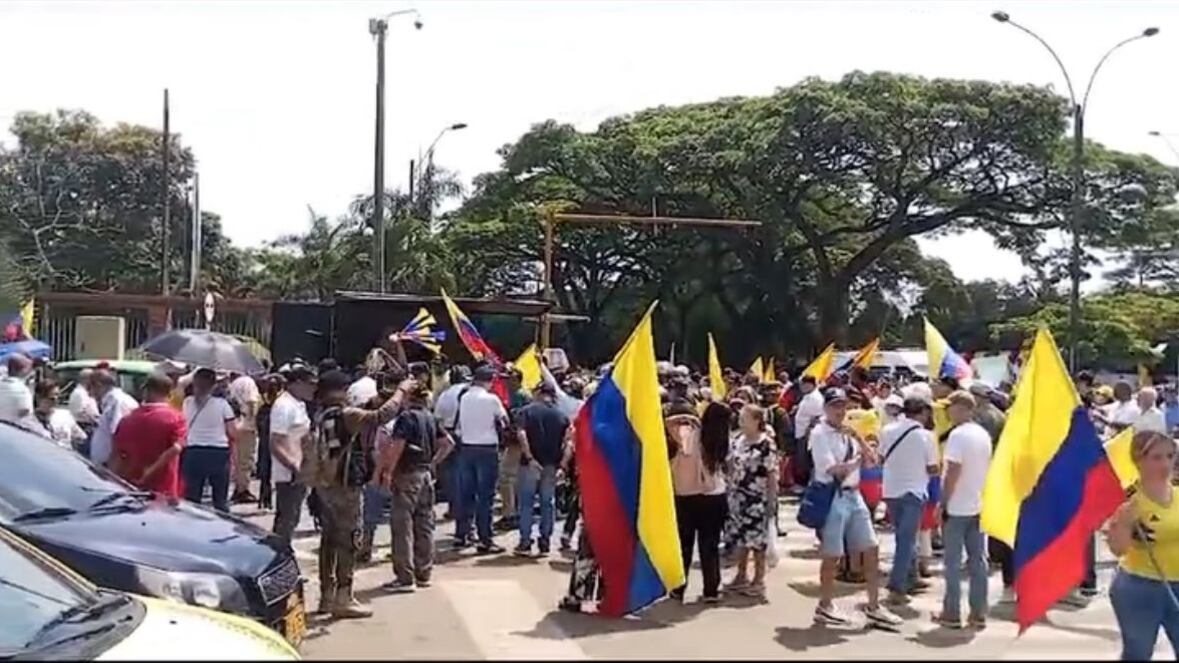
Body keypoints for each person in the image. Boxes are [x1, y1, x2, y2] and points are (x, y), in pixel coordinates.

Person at [306, 369, 411, 618]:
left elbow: (366, 410)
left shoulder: (322, 414)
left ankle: (327, 596)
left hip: (324, 485)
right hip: (346, 487)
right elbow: (380, 416)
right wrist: (401, 391)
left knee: (328, 541)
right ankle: (345, 597)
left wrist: (385, 393)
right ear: (342, 390)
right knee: (349, 540)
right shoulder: (347, 414)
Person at [810, 387, 901, 629]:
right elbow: (832, 469)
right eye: (835, 405)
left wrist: (859, 438)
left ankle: (874, 606)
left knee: (871, 549)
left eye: (843, 405)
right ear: (826, 408)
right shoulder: (819, 434)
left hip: (854, 495)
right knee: (832, 555)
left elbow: (873, 459)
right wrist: (857, 461)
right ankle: (825, 605)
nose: (840, 410)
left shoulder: (847, 432)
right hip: (833, 496)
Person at [1107, 430, 1179, 660]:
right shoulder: (1130, 503)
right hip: (1140, 587)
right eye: (1156, 457)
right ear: (1138, 461)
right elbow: (1118, 549)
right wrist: (1124, 525)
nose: (1166, 464)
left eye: (1170, 456)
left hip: (1177, 585)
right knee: (1138, 653)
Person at [376, 382, 454, 593]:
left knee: (402, 526)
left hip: (407, 474)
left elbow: (397, 446)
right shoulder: (430, 417)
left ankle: (404, 577)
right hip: (425, 475)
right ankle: (423, 572)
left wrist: (388, 472)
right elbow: (448, 443)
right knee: (424, 524)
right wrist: (433, 462)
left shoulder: (407, 418)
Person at [935, 390, 992, 629]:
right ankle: (978, 613)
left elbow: (953, 472)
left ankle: (952, 612)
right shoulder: (983, 434)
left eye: (950, 406)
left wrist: (943, 502)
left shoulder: (958, 436)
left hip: (957, 507)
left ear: (962, 408)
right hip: (978, 504)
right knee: (978, 561)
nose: (947, 411)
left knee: (953, 563)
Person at [880, 397, 938, 607]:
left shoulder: (888, 430)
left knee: (904, 536)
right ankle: (897, 586)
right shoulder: (926, 436)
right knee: (906, 540)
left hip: (891, 490)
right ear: (922, 412)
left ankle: (911, 577)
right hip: (914, 491)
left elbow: (881, 456)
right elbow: (933, 468)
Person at [670, 401, 729, 603]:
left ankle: (678, 588)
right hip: (715, 496)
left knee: (684, 545)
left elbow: (671, 424)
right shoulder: (723, 440)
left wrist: (690, 418)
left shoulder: (690, 434)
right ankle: (711, 589)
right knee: (710, 545)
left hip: (686, 494)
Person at [454, 364, 509, 554]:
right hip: (487, 448)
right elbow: (504, 420)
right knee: (485, 496)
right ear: (490, 380)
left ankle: (462, 534)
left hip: (467, 447)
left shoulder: (464, 397)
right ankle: (485, 538)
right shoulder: (492, 399)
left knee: (466, 493)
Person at [724, 404, 778, 598]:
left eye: (744, 418)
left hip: (758, 499)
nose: (741, 421)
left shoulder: (766, 444)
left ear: (757, 421)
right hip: (738, 498)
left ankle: (759, 579)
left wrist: (772, 500)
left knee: (758, 543)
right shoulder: (738, 440)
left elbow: (772, 473)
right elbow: (730, 466)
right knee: (740, 539)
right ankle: (741, 575)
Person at [514, 382, 571, 557]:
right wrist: (563, 465)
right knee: (548, 502)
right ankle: (545, 541)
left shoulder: (526, 412)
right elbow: (569, 442)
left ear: (538, 392)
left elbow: (521, 434)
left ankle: (525, 542)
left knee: (526, 503)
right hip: (551, 465)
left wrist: (530, 457)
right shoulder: (562, 415)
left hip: (530, 464)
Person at [111, 373, 187, 498]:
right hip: (164, 488)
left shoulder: (128, 419)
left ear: (146, 391)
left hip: (131, 485)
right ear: (169, 393)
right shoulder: (176, 418)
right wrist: (150, 471)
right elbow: (176, 448)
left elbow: (116, 454)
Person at [271, 365, 315, 549]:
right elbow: (276, 443)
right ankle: (278, 559)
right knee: (286, 521)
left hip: (301, 471)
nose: (313, 388)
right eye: (309, 384)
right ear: (297, 383)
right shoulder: (284, 406)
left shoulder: (299, 404)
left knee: (292, 519)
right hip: (289, 474)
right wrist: (294, 467)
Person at [434, 365, 471, 515]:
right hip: (467, 435)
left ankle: (453, 507)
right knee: (466, 474)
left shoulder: (444, 395)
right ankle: (464, 508)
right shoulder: (470, 393)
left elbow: (437, 419)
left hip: (448, 434)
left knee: (449, 475)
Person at [89, 368, 138, 467]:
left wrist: (113, 465)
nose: (90, 393)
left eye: (90, 387)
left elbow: (117, 434)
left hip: (110, 465)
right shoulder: (111, 401)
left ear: (98, 385)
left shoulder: (117, 401)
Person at [228, 371, 262, 504]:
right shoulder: (248, 382)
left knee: (238, 459)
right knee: (246, 459)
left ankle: (239, 487)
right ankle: (242, 490)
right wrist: (253, 421)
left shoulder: (234, 384)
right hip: (247, 425)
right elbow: (252, 403)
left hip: (236, 424)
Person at [31, 379, 86, 449]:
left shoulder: (65, 416)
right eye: (50, 398)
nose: (55, 400)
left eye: (57, 396)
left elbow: (81, 438)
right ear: (39, 398)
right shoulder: (30, 421)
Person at [256, 373, 283, 511]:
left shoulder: (279, 406)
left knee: (270, 472)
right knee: (266, 471)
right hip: (268, 441)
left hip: (270, 441)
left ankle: (268, 500)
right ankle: (265, 499)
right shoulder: (266, 406)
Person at [792, 375, 824, 486]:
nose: (801, 387)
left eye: (803, 384)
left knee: (806, 460)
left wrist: (809, 431)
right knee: (802, 459)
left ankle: (807, 484)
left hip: (807, 433)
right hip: (800, 432)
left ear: (810, 384)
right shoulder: (808, 396)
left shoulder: (816, 398)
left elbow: (817, 417)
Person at [0, 353, 35, 427]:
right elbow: (27, 414)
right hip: (14, 431)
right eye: (30, 368)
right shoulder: (23, 391)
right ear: (23, 370)